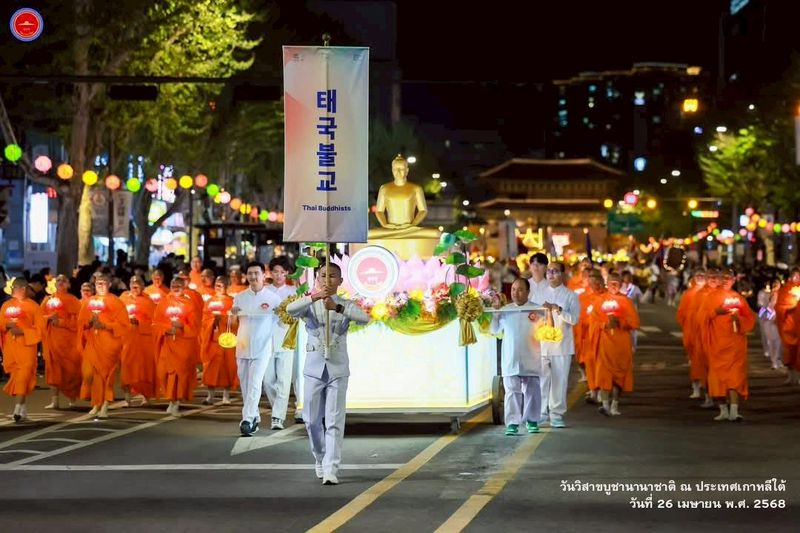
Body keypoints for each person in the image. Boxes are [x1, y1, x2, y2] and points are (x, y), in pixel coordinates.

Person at [287, 262, 370, 485]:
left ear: (340, 281)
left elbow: (365, 318)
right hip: (314, 368)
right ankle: (320, 457)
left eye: (332, 276)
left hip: (337, 367)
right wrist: (313, 297)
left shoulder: (345, 304)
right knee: (312, 420)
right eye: (323, 276)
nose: (327, 280)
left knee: (334, 419)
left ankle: (331, 467)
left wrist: (337, 308)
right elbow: (289, 310)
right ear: (317, 279)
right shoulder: (309, 304)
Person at [231, 262, 283, 436]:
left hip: (262, 347)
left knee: (254, 383)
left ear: (263, 275)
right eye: (250, 273)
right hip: (242, 346)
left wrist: (283, 316)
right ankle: (254, 417)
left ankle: (246, 419)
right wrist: (232, 313)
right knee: (245, 384)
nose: (253, 277)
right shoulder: (239, 297)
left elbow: (282, 322)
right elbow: (232, 320)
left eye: (256, 273)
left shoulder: (273, 298)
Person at [698, 269, 755, 421]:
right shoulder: (711, 297)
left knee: (735, 377)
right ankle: (723, 410)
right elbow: (702, 317)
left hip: (735, 344)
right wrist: (717, 311)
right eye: (723, 277)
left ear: (734, 280)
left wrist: (738, 319)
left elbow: (749, 318)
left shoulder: (738, 298)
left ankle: (734, 411)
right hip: (718, 344)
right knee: (718, 378)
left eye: (729, 278)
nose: (725, 280)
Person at [490, 278, 543, 436]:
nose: (516, 293)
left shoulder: (537, 310)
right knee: (512, 391)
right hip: (511, 358)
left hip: (531, 357)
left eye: (520, 289)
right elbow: (494, 331)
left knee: (532, 390)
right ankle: (512, 422)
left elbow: (547, 329)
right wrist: (495, 313)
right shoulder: (506, 310)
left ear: (528, 292)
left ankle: (532, 420)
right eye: (513, 289)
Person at [77, 274, 131, 418]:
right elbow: (81, 323)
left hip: (109, 344)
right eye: (98, 283)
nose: (101, 285)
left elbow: (124, 325)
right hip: (92, 342)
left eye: (103, 283)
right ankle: (96, 402)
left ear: (109, 284)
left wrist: (105, 325)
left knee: (105, 376)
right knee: (89, 373)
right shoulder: (89, 302)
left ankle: (104, 404)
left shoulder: (116, 302)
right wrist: (89, 323)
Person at [587, 272, 640, 416]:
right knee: (604, 375)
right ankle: (605, 405)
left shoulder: (626, 302)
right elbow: (592, 322)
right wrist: (605, 324)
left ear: (621, 284)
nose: (614, 286)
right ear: (607, 284)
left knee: (619, 377)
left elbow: (635, 323)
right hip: (605, 344)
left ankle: (615, 405)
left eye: (617, 283)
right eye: (611, 283)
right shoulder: (599, 301)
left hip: (621, 344)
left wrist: (620, 323)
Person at [537, 262, 579, 429]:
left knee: (559, 381)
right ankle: (540, 412)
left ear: (562, 273)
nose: (551, 274)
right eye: (548, 271)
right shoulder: (539, 293)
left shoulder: (570, 295)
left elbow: (574, 319)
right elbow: (532, 316)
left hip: (562, 345)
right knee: (541, 380)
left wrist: (559, 310)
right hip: (542, 343)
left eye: (555, 271)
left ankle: (556, 414)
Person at [153, 277, 199, 416]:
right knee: (163, 372)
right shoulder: (163, 303)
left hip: (183, 344)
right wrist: (166, 329)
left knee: (179, 374)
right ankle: (170, 399)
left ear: (183, 287)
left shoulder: (190, 304)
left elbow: (195, 327)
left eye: (178, 285)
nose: (175, 287)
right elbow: (155, 323)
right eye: (173, 284)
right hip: (167, 343)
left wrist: (182, 326)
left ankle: (176, 401)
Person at [0, 278, 44, 422]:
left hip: (27, 347)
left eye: (15, 287)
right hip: (10, 348)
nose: (12, 290)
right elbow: (1, 324)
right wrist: (7, 326)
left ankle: (17, 409)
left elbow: (40, 329)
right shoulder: (6, 306)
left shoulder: (34, 306)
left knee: (23, 376)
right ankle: (23, 409)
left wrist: (23, 331)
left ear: (23, 289)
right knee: (17, 377)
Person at [264, 256, 296, 430]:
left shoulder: (292, 292)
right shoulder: (264, 291)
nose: (278, 275)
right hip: (266, 341)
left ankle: (278, 417)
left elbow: (299, 314)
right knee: (267, 380)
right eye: (275, 272)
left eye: (282, 272)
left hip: (286, 340)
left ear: (287, 273)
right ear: (271, 273)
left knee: (284, 380)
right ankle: (278, 406)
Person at [41, 275, 82, 409]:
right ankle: (55, 400)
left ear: (69, 285)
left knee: (71, 370)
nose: (60, 283)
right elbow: (38, 318)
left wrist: (62, 322)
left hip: (68, 341)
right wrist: (48, 318)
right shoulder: (48, 299)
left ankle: (72, 399)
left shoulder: (73, 300)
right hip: (51, 340)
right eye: (58, 280)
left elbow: (79, 322)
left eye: (64, 280)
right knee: (53, 369)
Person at [119, 276, 157, 406]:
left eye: (138, 285)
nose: (134, 288)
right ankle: (127, 397)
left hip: (143, 339)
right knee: (126, 366)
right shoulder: (123, 298)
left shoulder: (148, 302)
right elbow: (117, 316)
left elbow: (155, 322)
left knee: (144, 368)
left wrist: (139, 323)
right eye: (132, 285)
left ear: (143, 287)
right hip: (127, 339)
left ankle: (146, 396)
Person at [199, 276, 237, 405]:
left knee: (227, 367)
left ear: (227, 286)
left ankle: (226, 395)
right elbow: (204, 319)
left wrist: (223, 319)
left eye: (222, 285)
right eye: (217, 285)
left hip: (227, 339)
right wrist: (212, 321)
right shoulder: (209, 301)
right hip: (212, 339)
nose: (219, 288)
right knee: (211, 367)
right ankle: (210, 396)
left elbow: (236, 321)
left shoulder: (233, 301)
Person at [758, 280, 784, 371]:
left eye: (777, 285)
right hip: (768, 322)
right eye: (774, 285)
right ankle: (774, 361)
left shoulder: (782, 296)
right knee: (770, 342)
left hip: (778, 322)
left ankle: (778, 360)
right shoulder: (767, 295)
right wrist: (766, 316)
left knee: (778, 342)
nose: (775, 287)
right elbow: (763, 310)